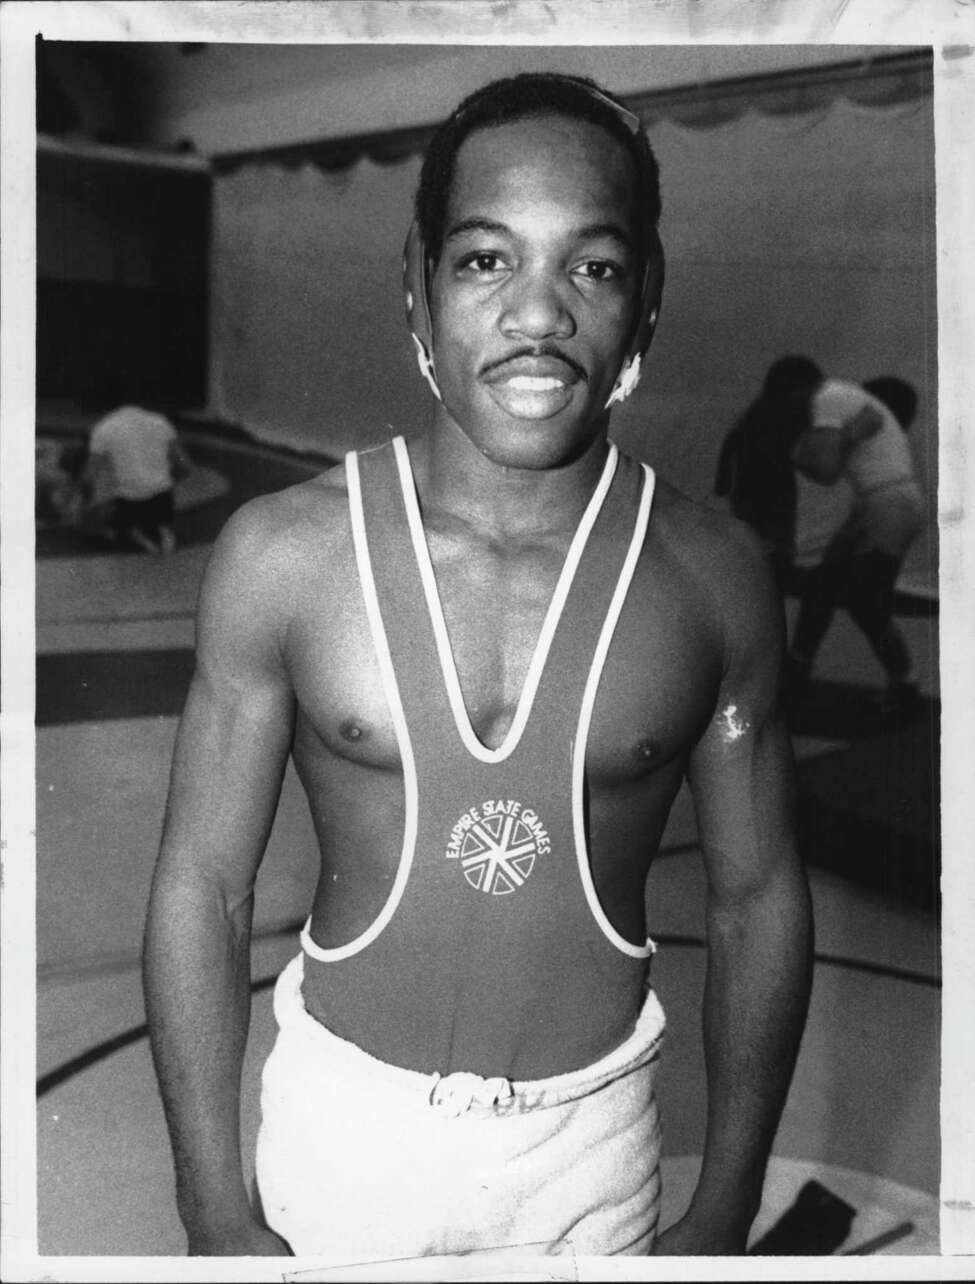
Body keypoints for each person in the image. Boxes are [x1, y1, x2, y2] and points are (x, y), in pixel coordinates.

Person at [143, 72, 812, 1260]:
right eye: (488, 260)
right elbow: (203, 881)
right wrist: (211, 1208)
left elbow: (758, 901)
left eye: (593, 268)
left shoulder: (714, 574)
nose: (541, 314)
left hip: (594, 1155)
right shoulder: (285, 558)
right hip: (343, 1135)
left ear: (645, 301)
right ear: (419, 283)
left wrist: (726, 1204)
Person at [787, 368, 925, 715]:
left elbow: (825, 470)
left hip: (884, 508)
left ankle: (905, 683)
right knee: (824, 583)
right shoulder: (858, 415)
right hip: (879, 506)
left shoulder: (834, 402)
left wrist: (846, 436)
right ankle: (798, 670)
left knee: (866, 602)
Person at [714, 355, 823, 593]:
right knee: (773, 550)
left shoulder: (756, 411)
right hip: (773, 494)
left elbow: (732, 446)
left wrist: (723, 484)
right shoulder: (791, 413)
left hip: (748, 492)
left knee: (756, 546)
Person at [84, 398, 190, 553]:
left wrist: (83, 502)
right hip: (162, 496)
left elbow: (89, 476)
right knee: (155, 502)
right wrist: (166, 480)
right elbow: (184, 465)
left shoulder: (104, 428)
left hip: (129, 500)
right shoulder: (160, 422)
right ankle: (159, 526)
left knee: (91, 520)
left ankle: (129, 530)